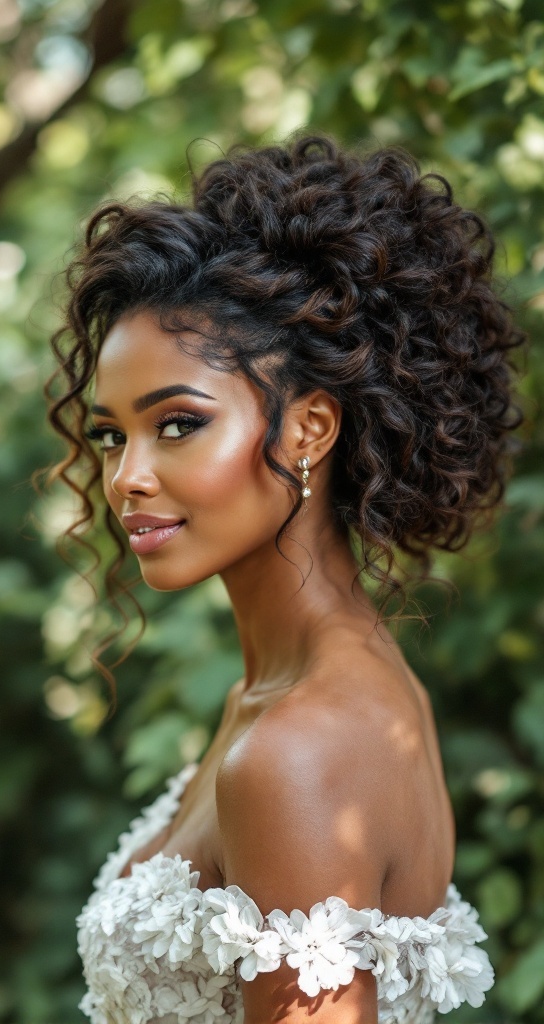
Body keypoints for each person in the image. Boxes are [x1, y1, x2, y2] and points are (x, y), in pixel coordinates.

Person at [47, 135, 523, 1024]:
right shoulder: (292, 691)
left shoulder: (300, 747)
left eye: (178, 424)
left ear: (308, 430)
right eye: (112, 434)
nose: (126, 477)